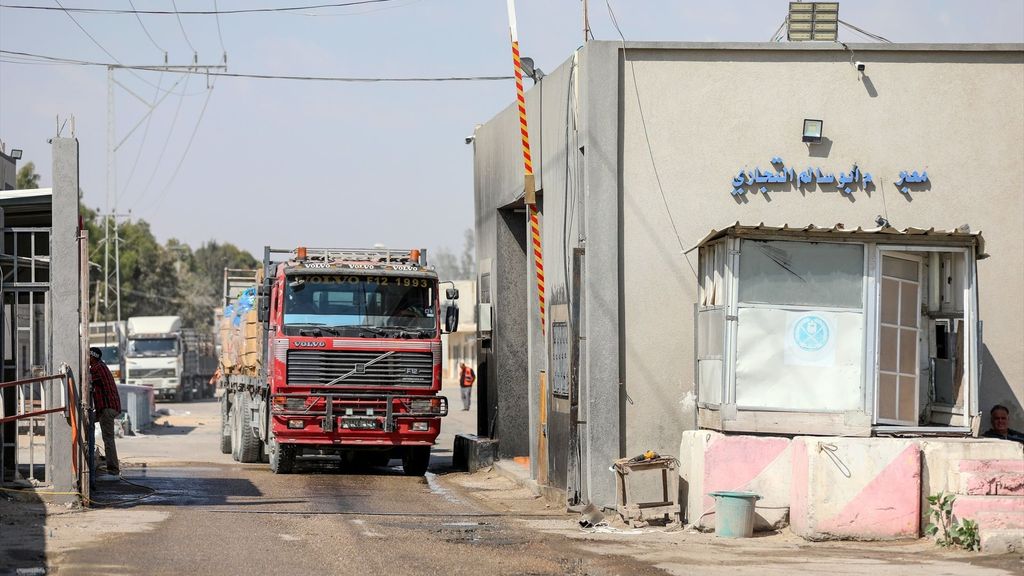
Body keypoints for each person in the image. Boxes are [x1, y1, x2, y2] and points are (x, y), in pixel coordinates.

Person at [89, 347, 122, 479]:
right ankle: (89, 457)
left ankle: (113, 471)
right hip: (106, 408)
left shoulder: (97, 368)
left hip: (107, 409)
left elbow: (85, 378)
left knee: (108, 439)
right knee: (87, 422)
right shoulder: (101, 366)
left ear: (92, 357)